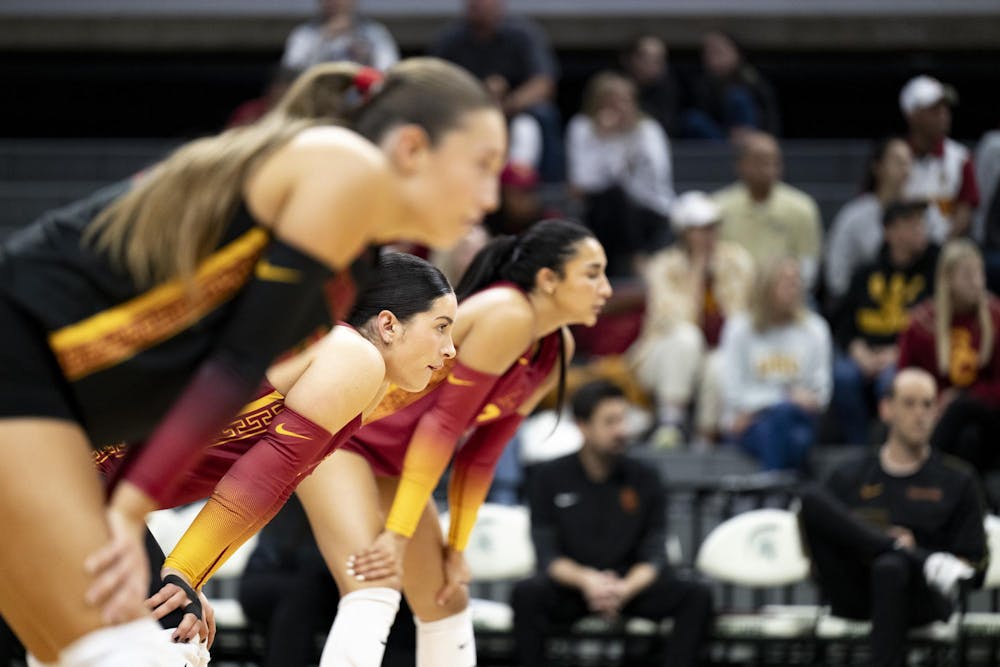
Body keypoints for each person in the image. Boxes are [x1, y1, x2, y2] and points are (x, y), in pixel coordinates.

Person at [0, 57, 502, 667]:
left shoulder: (346, 271)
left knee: (105, 654)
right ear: (413, 146)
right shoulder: (342, 169)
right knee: (141, 655)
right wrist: (145, 534)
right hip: (28, 363)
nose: (491, 196)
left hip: (56, 412)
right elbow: (234, 366)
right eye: (482, 165)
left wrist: (182, 570)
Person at [89, 253, 455, 646]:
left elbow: (273, 488)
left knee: (149, 638)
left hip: (76, 479)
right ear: (388, 325)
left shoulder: (359, 372)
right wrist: (183, 572)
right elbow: (261, 478)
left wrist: (190, 575)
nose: (450, 349)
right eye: (441, 327)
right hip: (71, 471)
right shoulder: (352, 353)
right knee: (167, 641)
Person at [295, 219, 612, 667]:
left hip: (394, 461)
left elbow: (482, 455)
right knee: (373, 587)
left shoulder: (557, 346)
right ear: (548, 280)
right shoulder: (509, 313)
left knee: (447, 598)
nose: (607, 289)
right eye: (592, 273)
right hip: (340, 435)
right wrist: (398, 539)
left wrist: (457, 549)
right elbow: (440, 428)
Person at [512, 380, 714, 667]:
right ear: (582, 426)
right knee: (527, 594)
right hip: (574, 585)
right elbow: (547, 555)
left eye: (624, 419)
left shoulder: (645, 477)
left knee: (696, 595)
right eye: (610, 422)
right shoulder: (549, 477)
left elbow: (655, 553)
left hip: (630, 585)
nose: (623, 430)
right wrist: (588, 581)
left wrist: (624, 588)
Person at [798, 367, 987, 667]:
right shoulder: (849, 475)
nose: (920, 414)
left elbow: (972, 570)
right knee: (810, 498)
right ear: (886, 409)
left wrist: (908, 556)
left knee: (891, 566)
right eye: (909, 403)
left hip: (921, 596)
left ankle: (907, 557)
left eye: (928, 404)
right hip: (855, 589)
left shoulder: (958, 480)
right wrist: (891, 545)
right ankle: (905, 552)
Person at [629, 191, 754, 446]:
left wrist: (716, 273)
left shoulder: (738, 261)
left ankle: (704, 437)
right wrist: (697, 270)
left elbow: (742, 320)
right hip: (665, 355)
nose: (708, 236)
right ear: (684, 232)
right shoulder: (662, 266)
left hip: (717, 351)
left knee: (721, 361)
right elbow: (677, 319)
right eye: (700, 229)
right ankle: (670, 424)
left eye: (713, 227)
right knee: (687, 338)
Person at [831, 201, 938, 445]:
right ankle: (858, 447)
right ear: (890, 231)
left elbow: (934, 327)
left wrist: (897, 353)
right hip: (865, 351)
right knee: (843, 376)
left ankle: (892, 446)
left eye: (921, 224)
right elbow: (844, 322)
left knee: (891, 381)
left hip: (904, 354)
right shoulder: (866, 273)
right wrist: (858, 351)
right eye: (911, 225)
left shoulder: (932, 273)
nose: (919, 230)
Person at [897, 239, 1000, 475]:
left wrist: (960, 397)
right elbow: (905, 378)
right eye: (967, 275)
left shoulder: (996, 317)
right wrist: (931, 404)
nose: (977, 283)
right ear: (948, 280)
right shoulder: (922, 324)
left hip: (990, 416)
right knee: (967, 437)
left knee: (963, 411)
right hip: (934, 413)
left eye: (979, 274)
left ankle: (921, 475)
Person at [719, 257, 832, 471]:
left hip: (795, 419)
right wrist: (786, 397)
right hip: (748, 427)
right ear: (765, 286)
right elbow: (734, 393)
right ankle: (782, 492)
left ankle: (770, 487)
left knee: (785, 422)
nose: (793, 287)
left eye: (796, 280)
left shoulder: (815, 329)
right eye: (784, 281)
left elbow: (820, 395)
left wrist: (768, 404)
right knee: (795, 440)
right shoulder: (739, 329)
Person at [431, 0, 563, 180]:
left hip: (513, 109)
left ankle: (547, 189)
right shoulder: (451, 39)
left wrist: (509, 103)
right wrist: (478, 98)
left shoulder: (523, 34)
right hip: (467, 108)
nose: (478, 6)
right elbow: (434, 84)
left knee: (544, 115)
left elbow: (544, 82)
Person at [567, 71, 675, 277]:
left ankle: (633, 259)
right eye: (611, 102)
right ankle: (632, 260)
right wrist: (604, 138)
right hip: (600, 210)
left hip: (649, 208)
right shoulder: (582, 128)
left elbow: (656, 178)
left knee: (617, 196)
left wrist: (630, 139)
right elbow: (580, 183)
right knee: (611, 198)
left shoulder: (648, 130)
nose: (619, 108)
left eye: (624, 100)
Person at [713, 131, 823, 290]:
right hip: (731, 293)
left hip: (785, 295)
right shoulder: (718, 208)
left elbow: (808, 267)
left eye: (774, 161)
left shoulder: (802, 208)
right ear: (740, 165)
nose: (768, 167)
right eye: (759, 160)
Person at [824, 138, 915, 306]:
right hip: (864, 307)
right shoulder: (854, 216)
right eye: (897, 162)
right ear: (877, 167)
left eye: (909, 162)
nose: (905, 169)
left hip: (912, 304)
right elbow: (837, 275)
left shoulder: (922, 215)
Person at [899, 75, 979, 241]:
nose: (944, 115)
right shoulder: (895, 157)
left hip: (945, 251)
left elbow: (966, 209)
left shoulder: (961, 158)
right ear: (912, 114)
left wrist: (941, 247)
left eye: (945, 109)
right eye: (934, 110)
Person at [681, 30, 780, 141]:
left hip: (752, 140)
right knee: (693, 119)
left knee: (737, 97)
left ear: (736, 53)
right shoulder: (701, 83)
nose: (712, 57)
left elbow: (769, 115)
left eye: (718, 52)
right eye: (708, 53)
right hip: (720, 140)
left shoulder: (751, 80)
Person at [281, 0, 399, 72]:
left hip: (362, 104)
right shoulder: (304, 34)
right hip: (317, 103)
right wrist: (324, 38)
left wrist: (367, 56)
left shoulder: (374, 33)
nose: (336, 2)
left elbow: (389, 70)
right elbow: (291, 72)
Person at [620, 34, 683, 138]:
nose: (653, 64)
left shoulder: (669, 87)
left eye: (659, 59)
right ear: (631, 59)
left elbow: (667, 126)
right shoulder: (616, 85)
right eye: (647, 58)